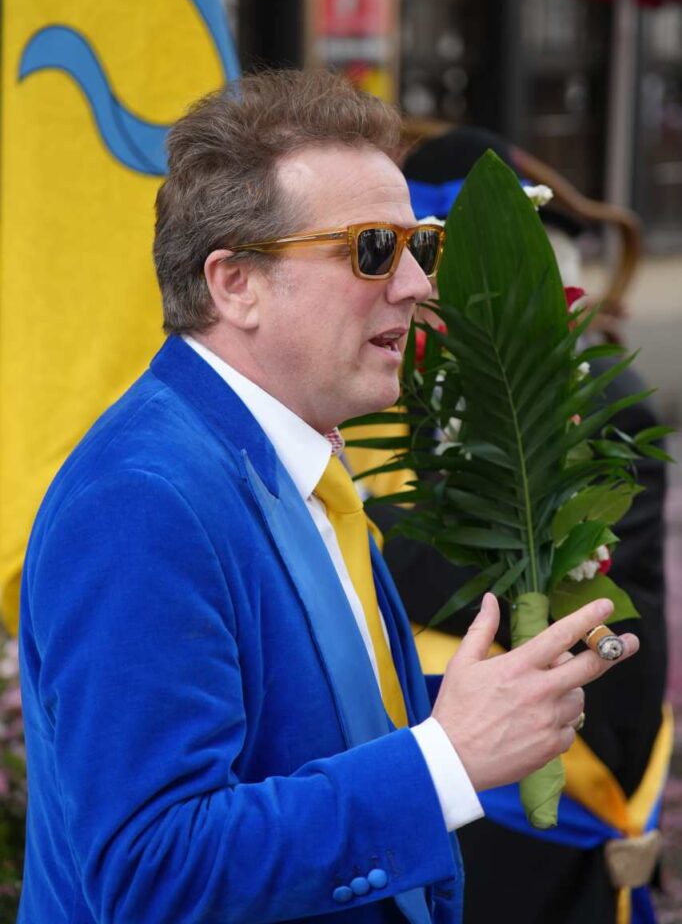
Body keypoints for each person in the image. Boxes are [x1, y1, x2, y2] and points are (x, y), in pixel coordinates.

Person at [17, 70, 638, 924]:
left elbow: (309, 736)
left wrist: (471, 727)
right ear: (236, 283)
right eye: (372, 249)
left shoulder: (278, 455)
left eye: (420, 246)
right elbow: (153, 871)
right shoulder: (140, 500)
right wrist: (445, 760)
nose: (418, 285)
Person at [362, 124, 668, 924]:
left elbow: (587, 587)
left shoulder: (593, 396)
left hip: (564, 763)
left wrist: (367, 533)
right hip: (442, 753)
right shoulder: (399, 386)